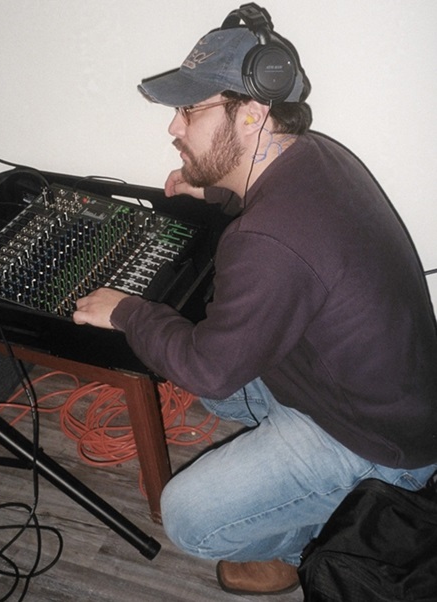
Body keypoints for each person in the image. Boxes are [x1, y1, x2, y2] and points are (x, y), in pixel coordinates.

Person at [73, 3, 437, 596]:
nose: (173, 128)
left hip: (380, 448)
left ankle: (321, 538)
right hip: (380, 397)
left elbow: (212, 368)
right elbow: (272, 223)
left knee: (189, 515)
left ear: (252, 114)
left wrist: (125, 310)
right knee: (210, 375)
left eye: (189, 111)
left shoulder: (268, 240)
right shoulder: (313, 155)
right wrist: (207, 188)